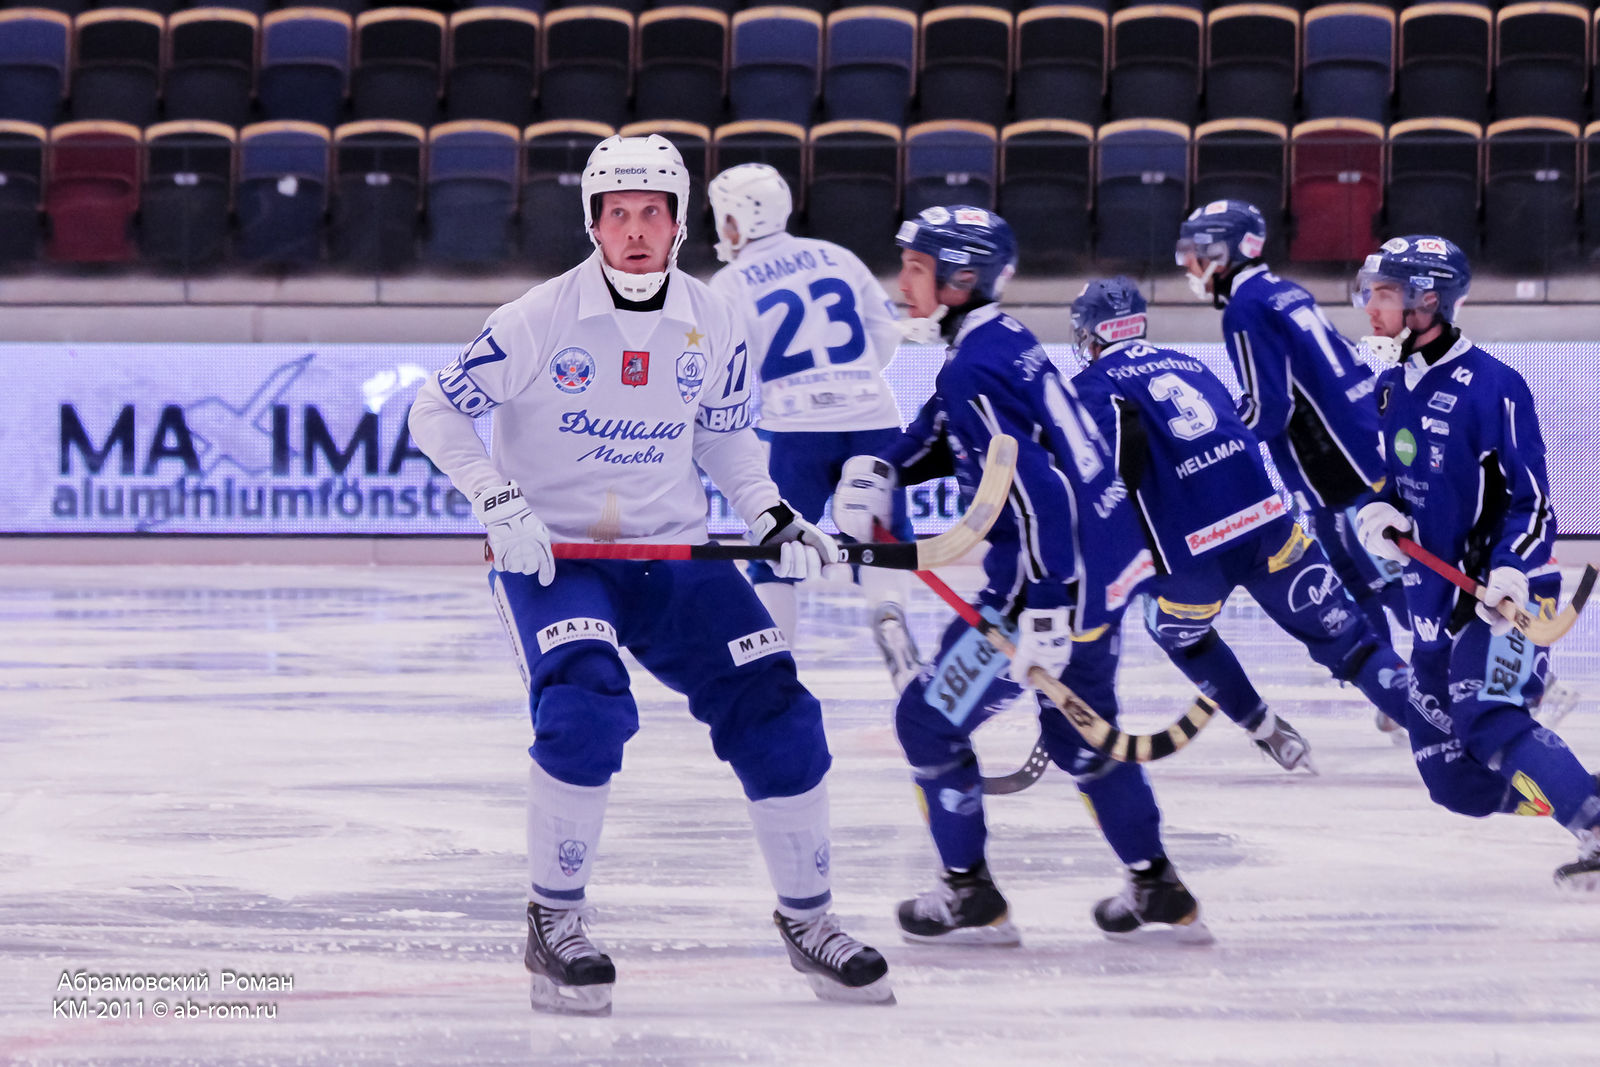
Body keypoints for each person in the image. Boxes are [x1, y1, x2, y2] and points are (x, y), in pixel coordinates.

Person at [406, 134, 894, 1014]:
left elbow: (724, 434)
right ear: (593, 223)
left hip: (673, 556)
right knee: (584, 708)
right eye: (618, 213)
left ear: (679, 224)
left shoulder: (717, 316)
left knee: (779, 709)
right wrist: (497, 500)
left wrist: (771, 513)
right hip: (557, 558)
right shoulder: (537, 317)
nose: (635, 230)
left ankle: (810, 919)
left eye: (653, 213)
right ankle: (554, 920)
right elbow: (435, 408)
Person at [832, 206, 1212, 945]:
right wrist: (884, 468)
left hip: (1045, 585)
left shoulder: (976, 362)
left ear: (961, 280)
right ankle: (1157, 884)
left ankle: (969, 893)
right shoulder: (999, 341)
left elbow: (1041, 489)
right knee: (1080, 739)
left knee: (928, 723)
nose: (902, 282)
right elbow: (946, 425)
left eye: (916, 269)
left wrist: (1042, 608)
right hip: (1102, 572)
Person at [1068, 276, 1415, 773]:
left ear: (1090, 333)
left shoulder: (1090, 387)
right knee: (1353, 646)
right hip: (1268, 527)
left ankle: (1266, 729)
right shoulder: (1191, 363)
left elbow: (1112, 476)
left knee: (1179, 635)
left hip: (1192, 558)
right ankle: (1443, 730)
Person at [1351, 235, 1599, 888]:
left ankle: (1594, 821)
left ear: (1426, 300)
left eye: (1384, 293)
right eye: (1370, 291)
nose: (1371, 306)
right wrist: (1383, 511)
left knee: (1489, 719)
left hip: (1510, 596)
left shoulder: (1495, 387)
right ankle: (1578, 792)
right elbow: (1399, 485)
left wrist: (1511, 569)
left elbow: (1534, 502)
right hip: (1435, 607)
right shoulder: (1390, 387)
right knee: (1453, 780)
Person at [1176, 200, 1409, 733]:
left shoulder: (1244, 308)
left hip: (1335, 466)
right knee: (1360, 580)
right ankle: (1395, 690)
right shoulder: (1284, 289)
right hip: (1351, 450)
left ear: (1226, 253)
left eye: (1197, 251)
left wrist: (1215, 445)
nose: (1188, 264)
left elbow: (1269, 407)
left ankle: (1497, 680)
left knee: (1390, 578)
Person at [706, 162, 923, 688]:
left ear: (740, 219)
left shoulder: (730, 282)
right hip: (873, 415)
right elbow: (885, 334)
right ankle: (890, 614)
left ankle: (771, 666)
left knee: (775, 550)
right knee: (885, 539)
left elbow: (732, 368)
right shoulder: (837, 256)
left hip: (795, 428)